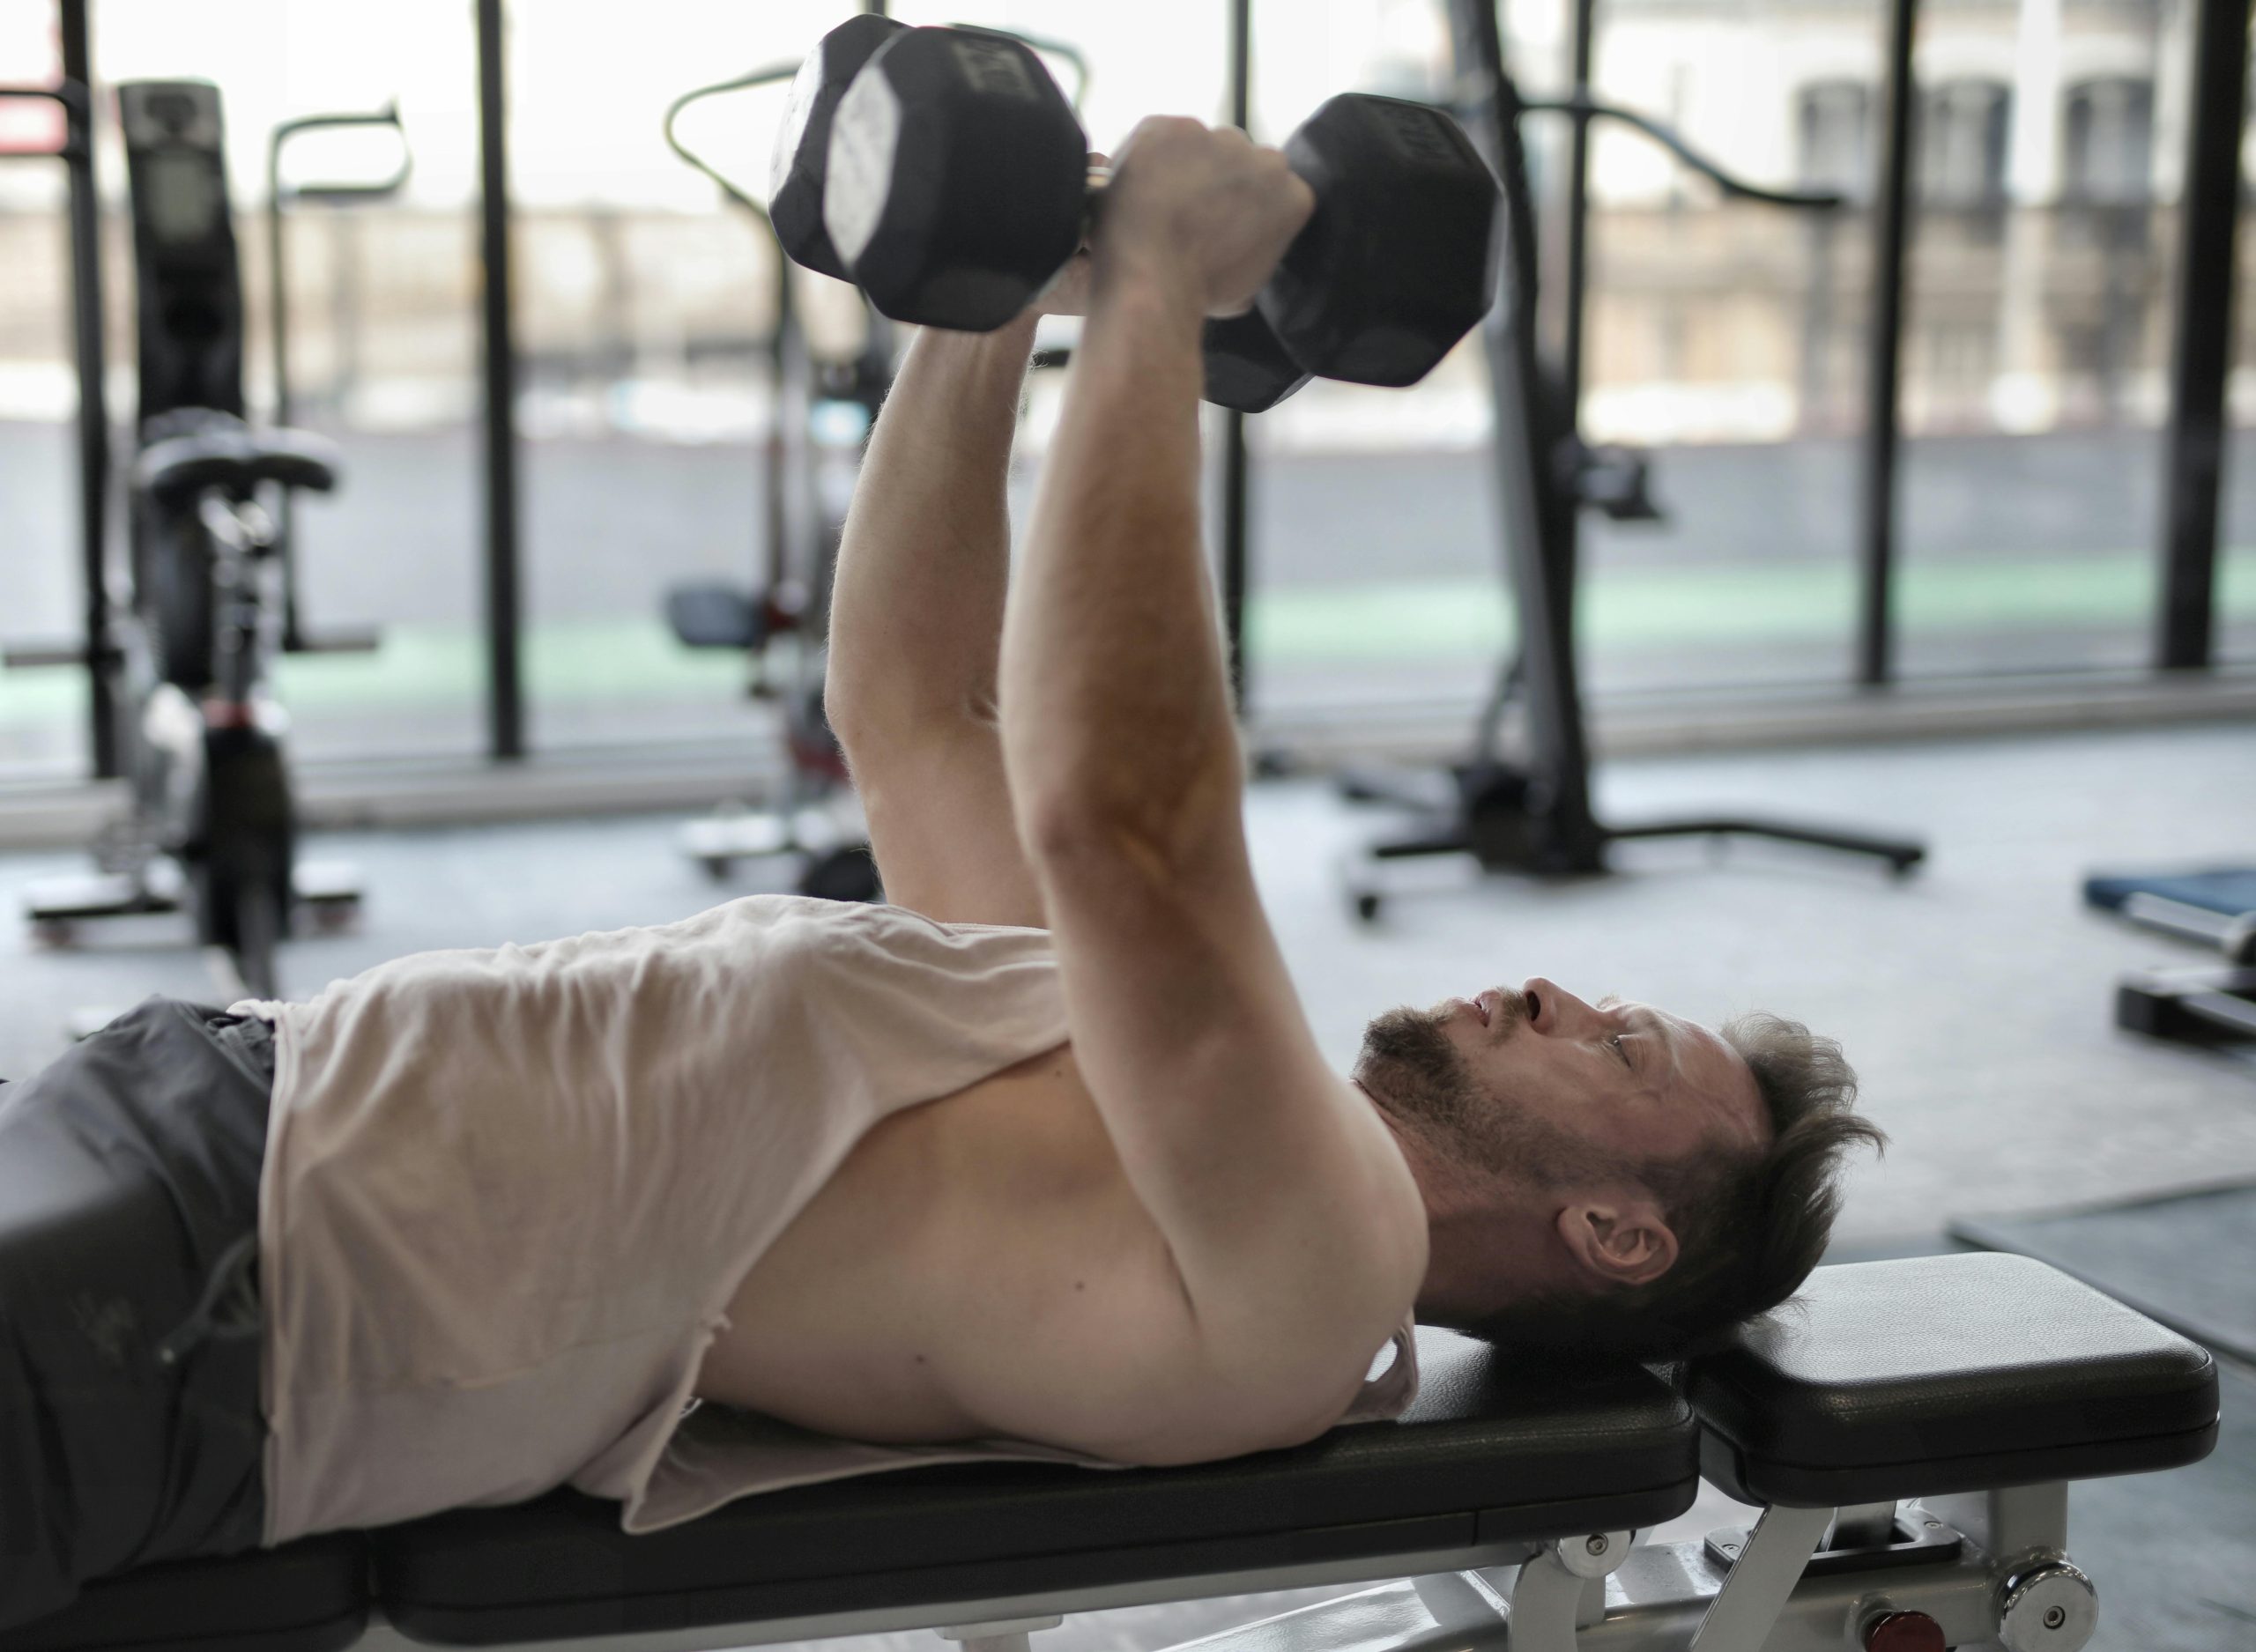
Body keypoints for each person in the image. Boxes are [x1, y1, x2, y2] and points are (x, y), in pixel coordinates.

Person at [0, 115, 1882, 1632]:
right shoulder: (1165, 1113)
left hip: (234, 1295)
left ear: (1615, 1234)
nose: (1557, 989)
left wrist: (1156, 293)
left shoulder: (1322, 1268)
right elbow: (913, 711)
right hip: (198, 1120)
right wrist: (996, 304)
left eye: (1621, 1045)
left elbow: (1127, 818)